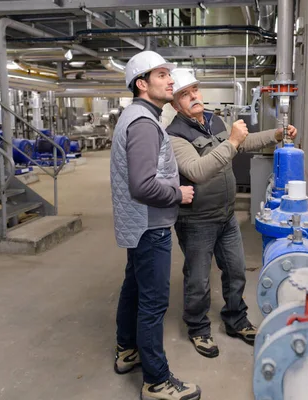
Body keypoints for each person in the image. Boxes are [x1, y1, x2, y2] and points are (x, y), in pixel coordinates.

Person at [165, 68, 297, 358]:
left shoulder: (213, 120)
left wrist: (275, 134)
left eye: (194, 90)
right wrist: (234, 141)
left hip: (225, 216)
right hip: (197, 220)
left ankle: (236, 320)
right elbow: (198, 171)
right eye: (184, 95)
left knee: (236, 271)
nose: (193, 97)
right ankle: (198, 328)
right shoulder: (174, 137)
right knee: (198, 280)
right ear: (175, 104)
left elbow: (243, 143)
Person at [109, 52, 200, 400]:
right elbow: (143, 186)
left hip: (139, 224)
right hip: (151, 227)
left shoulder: (138, 117)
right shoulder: (144, 124)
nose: (171, 81)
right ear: (142, 84)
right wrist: (178, 192)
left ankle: (127, 350)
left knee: (133, 288)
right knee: (153, 303)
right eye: (162, 75)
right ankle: (156, 380)